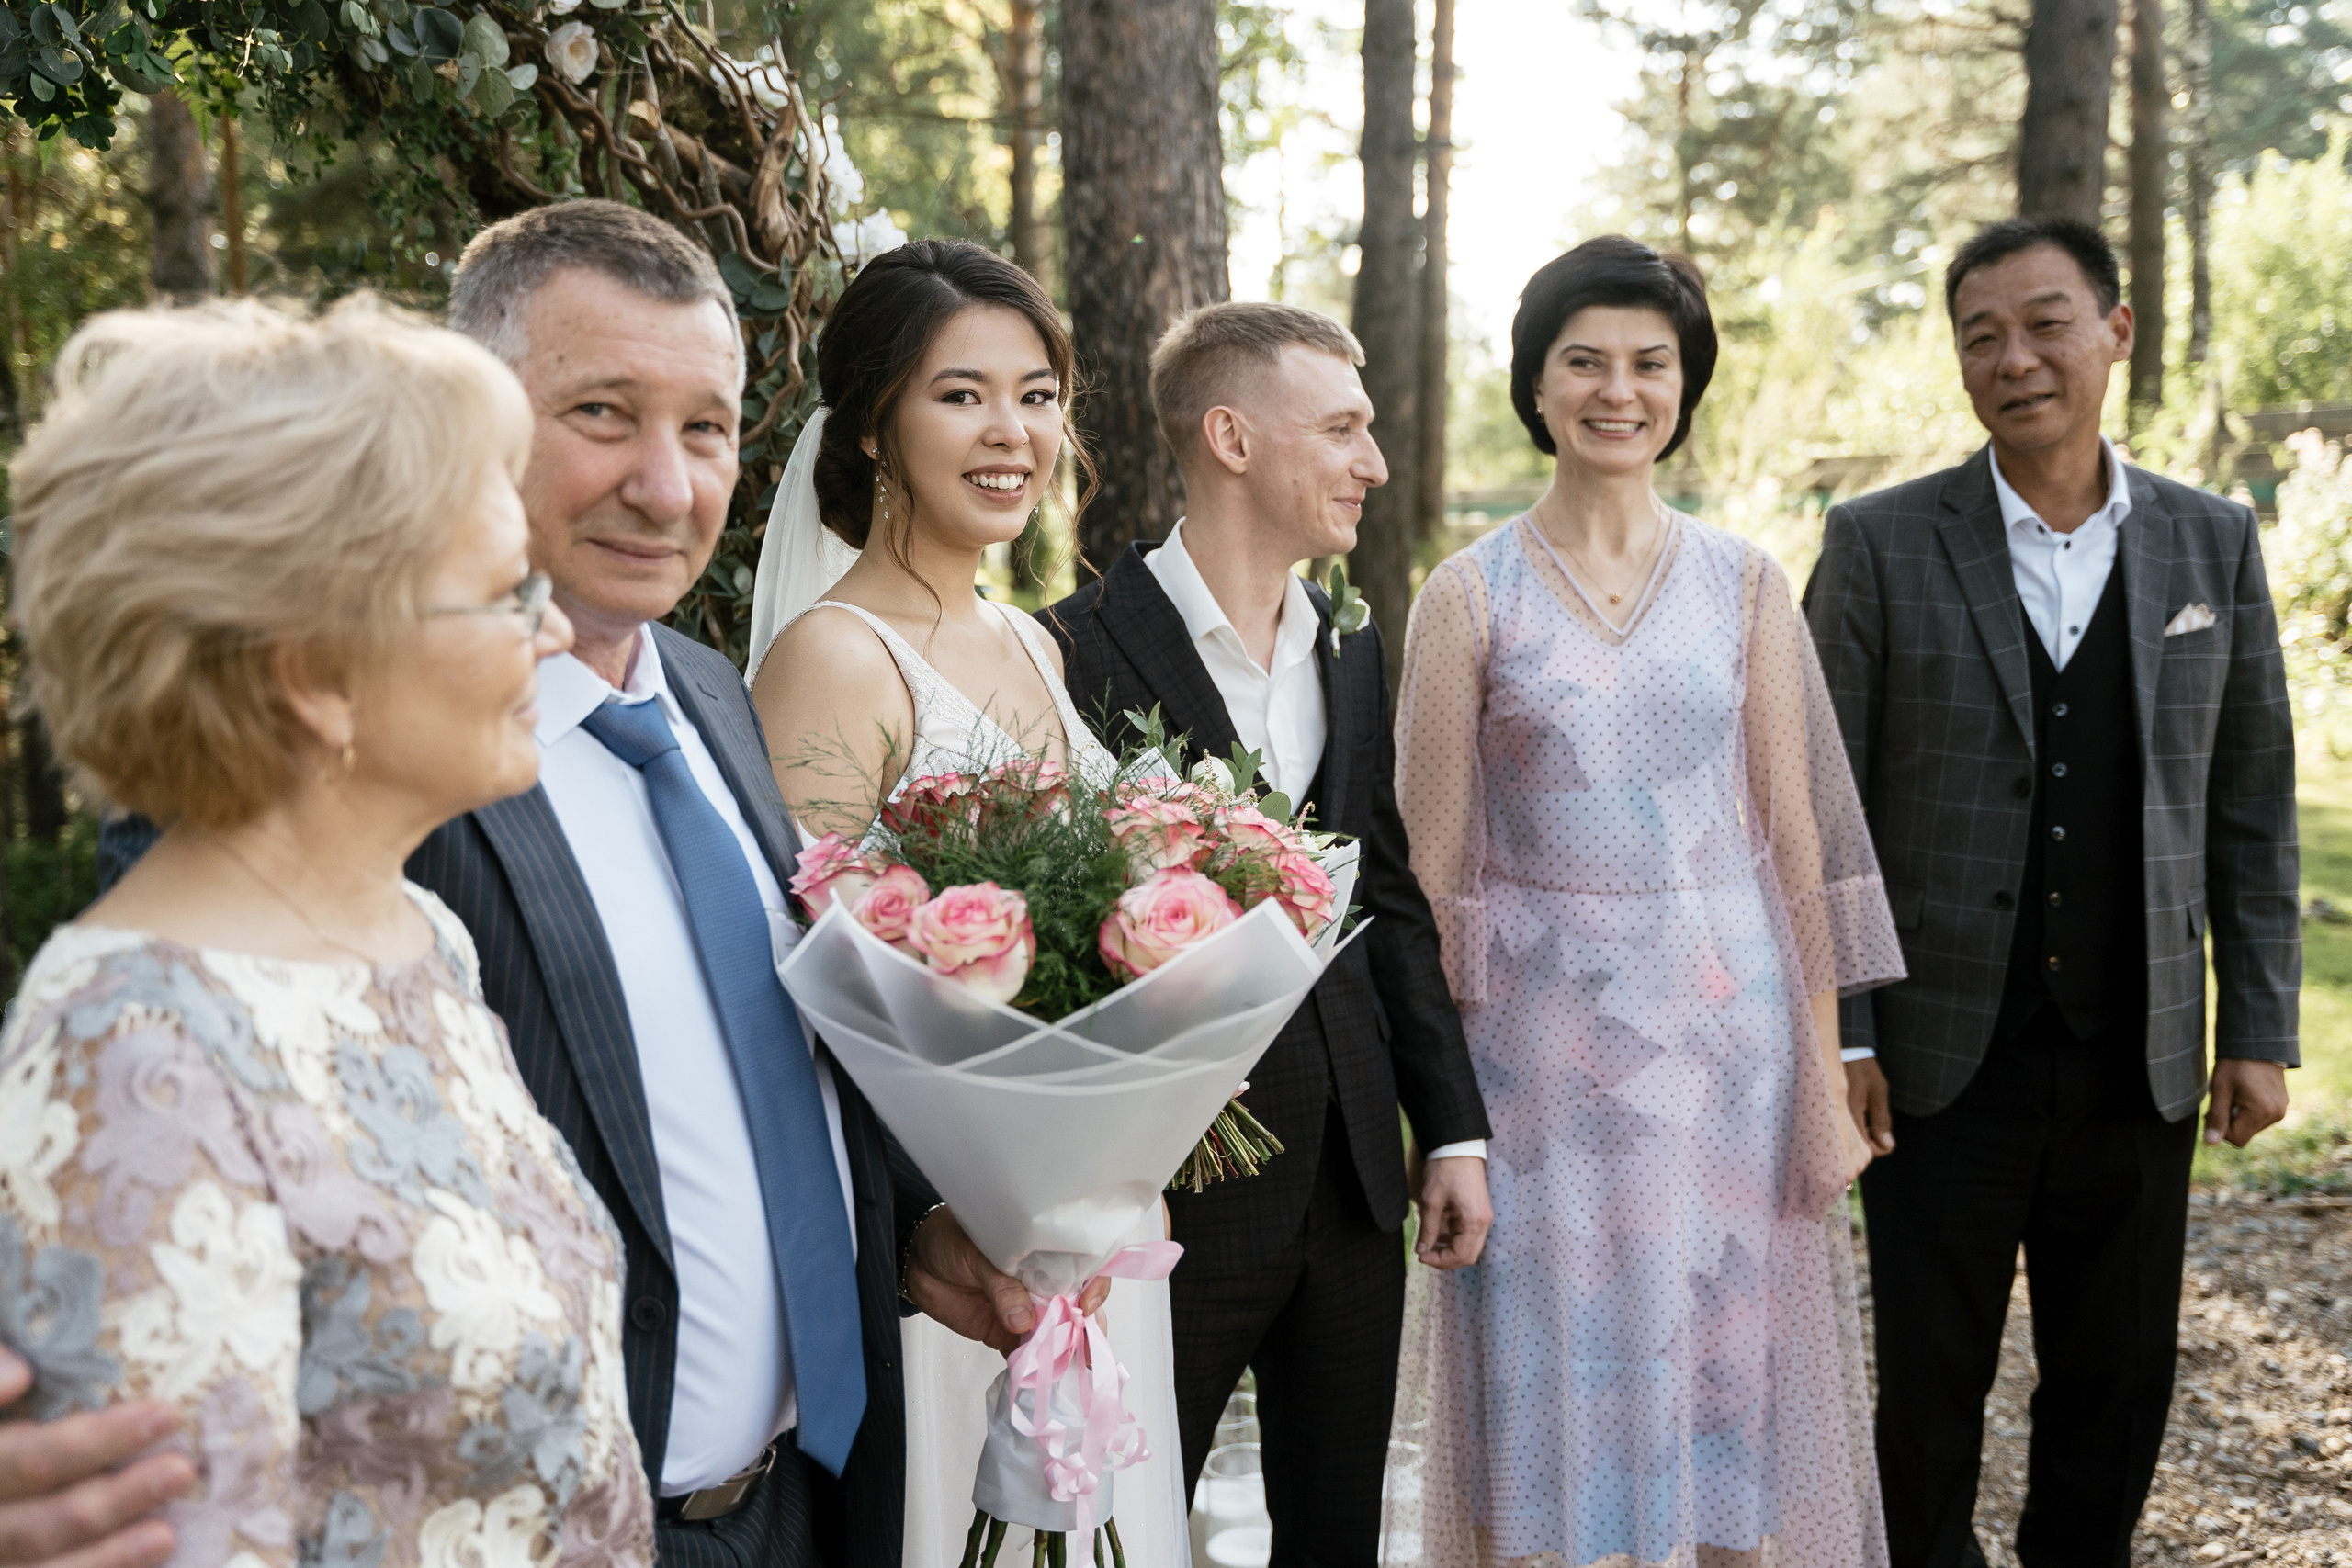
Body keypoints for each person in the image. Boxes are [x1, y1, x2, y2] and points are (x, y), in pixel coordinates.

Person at [70, 201, 1038, 1568]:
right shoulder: (344, 756)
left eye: (705, 428)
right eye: (603, 413)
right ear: (471, 428)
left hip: (806, 1497)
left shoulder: (710, 695)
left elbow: (742, 1083)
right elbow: (145, 1093)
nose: (667, 483)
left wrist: (900, 1251)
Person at [0, 296, 662, 1561]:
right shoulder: (133, 1049)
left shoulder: (418, 936)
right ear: (313, 672)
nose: (556, 628)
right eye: (499, 590)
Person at [1381, 237, 1905, 1568]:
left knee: (1727, 1371)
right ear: (1539, 386)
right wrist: (1437, 1111)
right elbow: (1429, 869)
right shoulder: (1467, 595)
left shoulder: (1743, 585)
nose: (1620, 390)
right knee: (1553, 1367)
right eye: (1586, 362)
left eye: (1650, 364)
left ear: (1686, 384)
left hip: (1732, 1047)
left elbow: (1795, 837)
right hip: (1538, 1062)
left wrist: (1827, 1063)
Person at [1803, 217, 2299, 1567]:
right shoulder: (1879, 542)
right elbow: (1815, 811)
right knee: (1928, 1393)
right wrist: (1845, 1031)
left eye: (2045, 323)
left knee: (2120, 1375)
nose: (2014, 358)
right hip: (1936, 1053)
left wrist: (2256, 1026)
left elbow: (2250, 802)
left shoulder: (2214, 543)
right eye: (1982, 335)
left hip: (2138, 1053)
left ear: (2115, 333)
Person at [745, 239, 1187, 1567]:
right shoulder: (833, 654)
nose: (1014, 433)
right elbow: (830, 990)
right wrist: (983, 1202)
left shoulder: (1027, 640)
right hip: (953, 1251)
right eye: (962, 395)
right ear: (875, 423)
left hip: (1087, 1223)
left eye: (1039, 394)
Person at [1038, 301, 1494, 1565]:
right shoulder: (1065, 654)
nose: (1374, 463)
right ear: (1232, 437)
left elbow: (1386, 898)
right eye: (1343, 428)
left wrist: (1448, 1124)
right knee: (1121, 1529)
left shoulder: (1350, 649)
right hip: (1168, 1187)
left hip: (1352, 1184)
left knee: (1337, 1538)